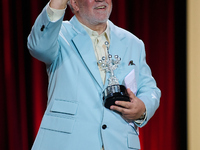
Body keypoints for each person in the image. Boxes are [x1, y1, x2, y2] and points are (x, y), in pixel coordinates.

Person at [27, 0, 161, 149]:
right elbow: (37, 47)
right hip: (68, 143)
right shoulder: (58, 35)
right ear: (75, 4)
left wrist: (142, 108)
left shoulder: (133, 42)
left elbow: (150, 89)